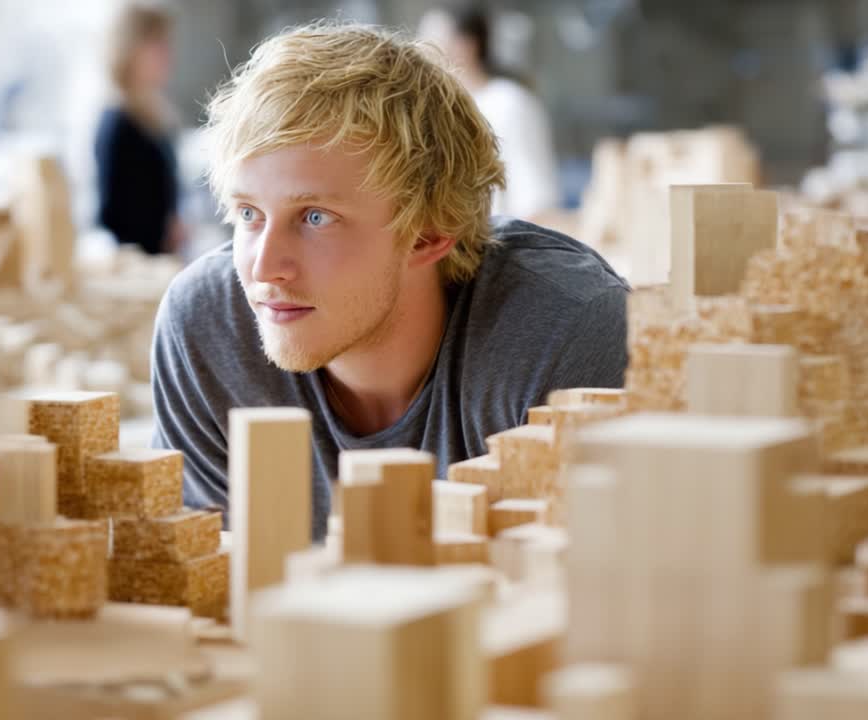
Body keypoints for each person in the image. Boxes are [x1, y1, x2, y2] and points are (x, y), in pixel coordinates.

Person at [149, 23, 627, 539]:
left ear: (428, 234)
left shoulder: (565, 333)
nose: (264, 269)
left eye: (314, 218)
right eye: (248, 213)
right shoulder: (204, 330)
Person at [419, 3, 561, 219]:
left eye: (432, 42)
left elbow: (535, 197)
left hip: (502, 243)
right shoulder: (438, 109)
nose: (421, 54)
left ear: (466, 45)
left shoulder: (508, 102)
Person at [94, 1, 181, 255]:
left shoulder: (155, 112)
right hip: (138, 262)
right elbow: (111, 215)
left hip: (160, 255)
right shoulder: (117, 121)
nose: (167, 54)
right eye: (157, 44)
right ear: (130, 49)